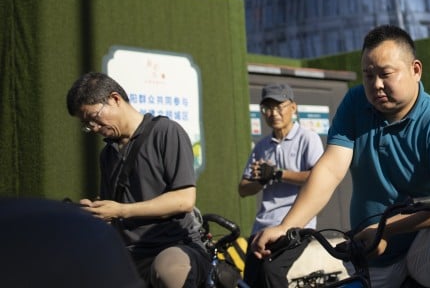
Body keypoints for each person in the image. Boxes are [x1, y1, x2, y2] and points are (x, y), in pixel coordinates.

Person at [251, 25, 430, 288]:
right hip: (372, 256)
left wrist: (385, 229)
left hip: (422, 248)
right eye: (368, 75)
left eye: (386, 74)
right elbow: (330, 170)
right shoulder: (354, 103)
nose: (376, 85)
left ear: (415, 70)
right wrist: (286, 227)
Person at [65, 71, 211, 288]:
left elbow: (184, 200)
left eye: (94, 118)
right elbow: (113, 208)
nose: (93, 128)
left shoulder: (165, 132)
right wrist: (95, 210)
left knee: (169, 270)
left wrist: (121, 210)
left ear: (115, 99)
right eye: (87, 125)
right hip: (129, 253)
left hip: (174, 246)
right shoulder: (107, 154)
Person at [239, 83, 325, 287]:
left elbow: (319, 178)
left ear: (293, 107)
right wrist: (261, 180)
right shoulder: (262, 146)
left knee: (271, 272)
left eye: (279, 106)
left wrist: (278, 174)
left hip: (296, 225)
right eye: (267, 108)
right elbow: (243, 188)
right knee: (250, 280)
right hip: (262, 226)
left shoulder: (308, 139)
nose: (273, 113)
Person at [1, 197, 144, 287]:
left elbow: (168, 201)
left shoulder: (158, 147)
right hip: (120, 247)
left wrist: (122, 210)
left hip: (155, 247)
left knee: (166, 267)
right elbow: (109, 200)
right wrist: (94, 207)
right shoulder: (107, 156)